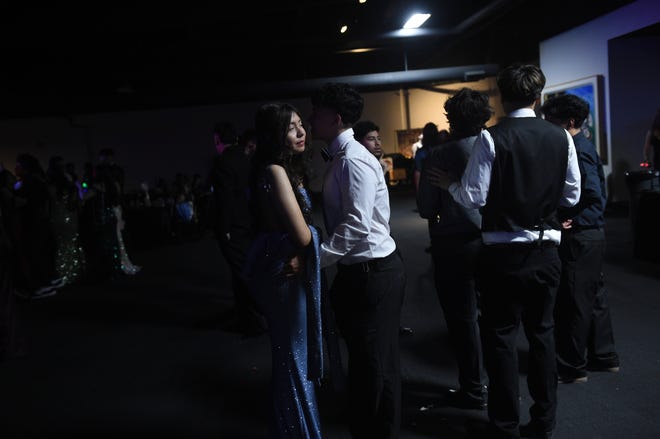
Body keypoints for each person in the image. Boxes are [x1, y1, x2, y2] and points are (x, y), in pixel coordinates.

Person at [434, 64, 581, 439]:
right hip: (546, 252)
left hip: (501, 255)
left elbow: (473, 197)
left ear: (502, 96)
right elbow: (573, 195)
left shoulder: (491, 138)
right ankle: (544, 422)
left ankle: (505, 426)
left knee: (500, 340)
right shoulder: (561, 137)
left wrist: (451, 185)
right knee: (543, 335)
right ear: (537, 97)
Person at [310, 82, 406, 439]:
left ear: (335, 119)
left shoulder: (353, 159)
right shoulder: (344, 156)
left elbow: (357, 225)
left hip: (373, 273)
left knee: (373, 367)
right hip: (363, 271)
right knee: (376, 363)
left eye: (316, 114)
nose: (310, 120)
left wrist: (315, 261)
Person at [242, 102, 324, 438]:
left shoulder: (279, 168)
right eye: (292, 127)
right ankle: (299, 431)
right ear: (275, 135)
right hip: (284, 276)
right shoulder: (274, 170)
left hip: (283, 267)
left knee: (291, 355)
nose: (302, 132)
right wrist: (306, 247)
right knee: (293, 356)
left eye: (302, 124)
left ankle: (295, 427)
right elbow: (303, 234)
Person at [417, 87, 492, 410]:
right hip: (495, 239)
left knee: (462, 319)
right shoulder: (496, 146)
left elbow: (424, 207)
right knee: (496, 315)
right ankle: (500, 384)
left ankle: (474, 388)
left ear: (451, 119)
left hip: (452, 243)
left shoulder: (439, 156)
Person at [540, 93, 620, 384]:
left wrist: (574, 221)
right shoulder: (584, 145)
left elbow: (594, 196)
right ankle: (604, 357)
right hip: (592, 234)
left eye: (552, 120)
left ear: (570, 121)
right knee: (594, 297)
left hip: (582, 236)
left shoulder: (578, 148)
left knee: (573, 300)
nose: (548, 125)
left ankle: (573, 367)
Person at [353, 120, 414, 336]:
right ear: (359, 142)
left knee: (397, 280)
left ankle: (391, 324)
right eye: (371, 139)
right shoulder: (362, 167)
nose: (378, 143)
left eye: (379, 138)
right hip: (371, 239)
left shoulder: (378, 163)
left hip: (384, 232)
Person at [208, 121, 266, 336]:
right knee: (244, 270)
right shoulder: (246, 159)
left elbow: (225, 200)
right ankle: (247, 318)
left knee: (242, 273)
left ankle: (254, 319)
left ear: (217, 140)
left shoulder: (223, 161)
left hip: (233, 227)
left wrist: (224, 229)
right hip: (249, 223)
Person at [413, 122, 440, 193]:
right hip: (441, 185)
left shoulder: (420, 152)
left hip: (427, 186)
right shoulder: (442, 150)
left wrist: (418, 192)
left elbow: (418, 172)